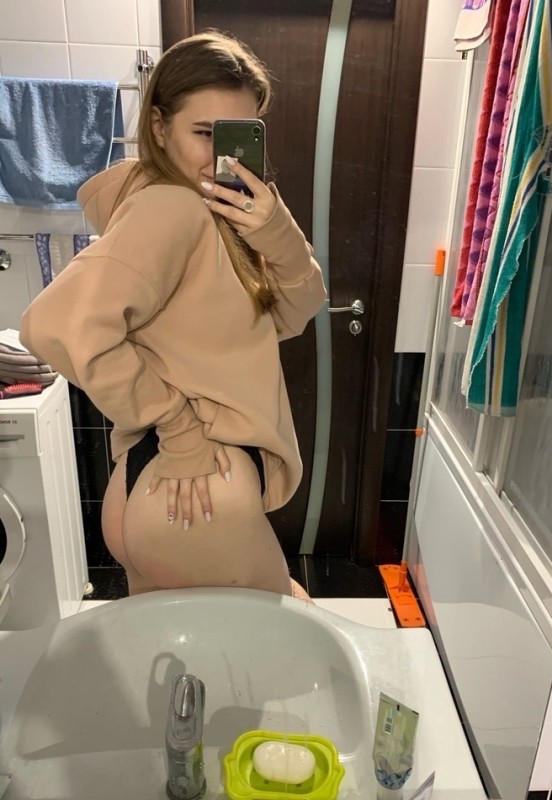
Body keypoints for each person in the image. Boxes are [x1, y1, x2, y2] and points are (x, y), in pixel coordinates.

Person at [20, 30, 326, 599]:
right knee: (289, 637)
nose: (222, 156)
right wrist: (180, 430)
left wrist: (274, 232)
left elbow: (293, 313)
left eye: (239, 134)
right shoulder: (173, 208)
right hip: (200, 483)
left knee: (182, 656)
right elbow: (54, 326)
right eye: (204, 133)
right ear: (159, 127)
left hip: (160, 484)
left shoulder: (212, 216)